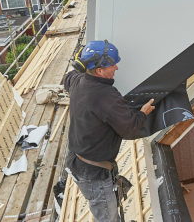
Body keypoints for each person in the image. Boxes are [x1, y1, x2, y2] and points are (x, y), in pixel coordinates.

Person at [64, 40, 155, 222]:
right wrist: (142, 113)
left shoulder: (77, 81)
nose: (116, 68)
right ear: (99, 70)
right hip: (94, 174)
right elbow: (129, 128)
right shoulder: (106, 96)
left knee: (109, 211)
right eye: (112, 64)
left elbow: (69, 76)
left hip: (81, 163)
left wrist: (80, 61)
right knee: (107, 218)